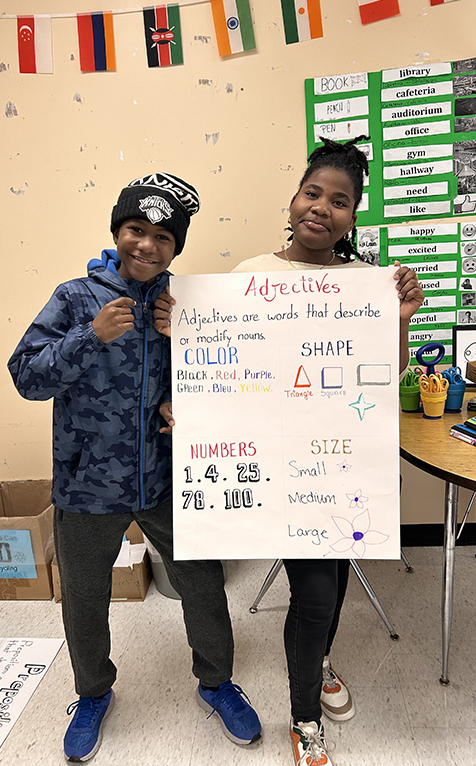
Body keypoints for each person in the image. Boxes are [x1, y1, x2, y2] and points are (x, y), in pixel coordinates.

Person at [154, 139, 424, 766]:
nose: (322, 209)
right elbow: (224, 368)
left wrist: (402, 317)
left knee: (331, 584)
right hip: (285, 469)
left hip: (343, 466)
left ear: (353, 216)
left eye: (340, 201)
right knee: (316, 595)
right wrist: (182, 330)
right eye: (313, 193)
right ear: (294, 198)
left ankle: (321, 661)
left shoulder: (365, 284)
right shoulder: (251, 275)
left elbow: (390, 376)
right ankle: (304, 716)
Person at [8, 172, 261, 763]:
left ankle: (216, 681)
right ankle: (92, 692)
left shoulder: (191, 305)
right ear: (117, 230)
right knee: (85, 595)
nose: (146, 245)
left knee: (202, 582)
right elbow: (25, 376)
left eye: (162, 237)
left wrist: (188, 371)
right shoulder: (75, 298)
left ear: (178, 246)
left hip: (169, 478)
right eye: (135, 230)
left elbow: (232, 380)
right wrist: (87, 338)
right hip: (87, 483)